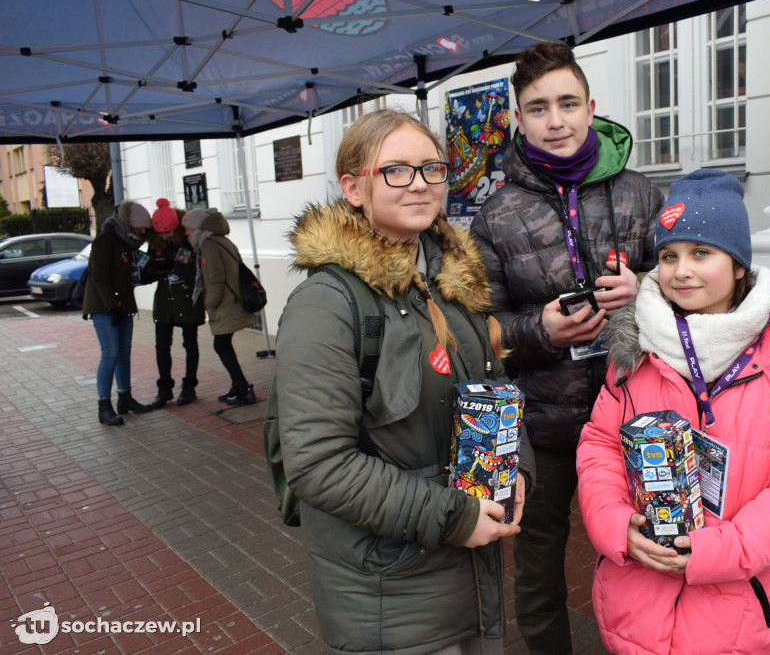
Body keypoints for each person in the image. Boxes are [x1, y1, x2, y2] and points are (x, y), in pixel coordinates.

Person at [275, 108, 534, 654]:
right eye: (396, 170)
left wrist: (517, 469)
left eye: (431, 169)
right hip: (389, 593)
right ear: (353, 187)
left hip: (467, 572)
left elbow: (495, 385)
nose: (419, 184)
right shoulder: (327, 304)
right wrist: (455, 517)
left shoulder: (452, 282)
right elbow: (318, 464)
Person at [576, 169, 770, 655]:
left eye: (702, 252)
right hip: (637, 598)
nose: (681, 270)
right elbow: (599, 444)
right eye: (668, 255)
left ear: (739, 265)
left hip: (737, 608)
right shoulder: (635, 354)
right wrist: (613, 523)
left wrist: (720, 551)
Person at [470, 40, 664, 653]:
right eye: (538, 108)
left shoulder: (642, 193)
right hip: (543, 426)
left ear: (590, 107)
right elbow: (482, 331)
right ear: (518, 118)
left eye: (567, 103)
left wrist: (647, 291)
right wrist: (541, 332)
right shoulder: (495, 216)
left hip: (639, 416)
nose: (555, 121)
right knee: (538, 566)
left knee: (652, 551)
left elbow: (698, 290)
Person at [82, 199, 154, 425]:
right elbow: (99, 278)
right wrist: (113, 307)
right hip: (104, 307)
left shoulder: (128, 244)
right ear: (128, 223)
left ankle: (125, 398)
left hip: (123, 306)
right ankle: (104, 406)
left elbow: (132, 276)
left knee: (124, 353)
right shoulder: (105, 242)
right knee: (111, 353)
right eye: (140, 227)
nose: (143, 231)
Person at [180, 207, 257, 405]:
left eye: (188, 229)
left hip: (224, 304)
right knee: (224, 345)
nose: (186, 234)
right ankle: (237, 385)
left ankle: (244, 389)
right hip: (230, 301)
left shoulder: (210, 245)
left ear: (198, 227)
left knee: (221, 345)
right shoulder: (221, 240)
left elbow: (215, 278)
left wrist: (209, 304)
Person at [144, 198, 205, 408]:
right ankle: (164, 388)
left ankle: (189, 386)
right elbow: (150, 272)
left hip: (188, 300)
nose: (165, 237)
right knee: (162, 347)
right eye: (160, 233)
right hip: (164, 302)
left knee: (190, 344)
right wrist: (151, 269)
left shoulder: (190, 241)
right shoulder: (155, 245)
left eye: (168, 232)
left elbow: (196, 273)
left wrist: (175, 266)